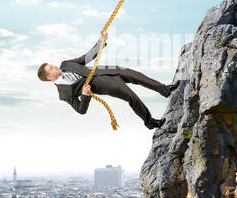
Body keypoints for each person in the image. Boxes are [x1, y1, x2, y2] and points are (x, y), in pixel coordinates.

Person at [37, 30, 180, 129]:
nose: (55, 66)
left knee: (137, 75)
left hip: (107, 70)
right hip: (104, 85)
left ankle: (165, 90)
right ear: (50, 77)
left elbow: (85, 58)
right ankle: (150, 122)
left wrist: (101, 41)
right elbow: (81, 110)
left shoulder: (65, 64)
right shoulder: (64, 94)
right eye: (52, 68)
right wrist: (85, 95)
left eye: (52, 65)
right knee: (130, 96)